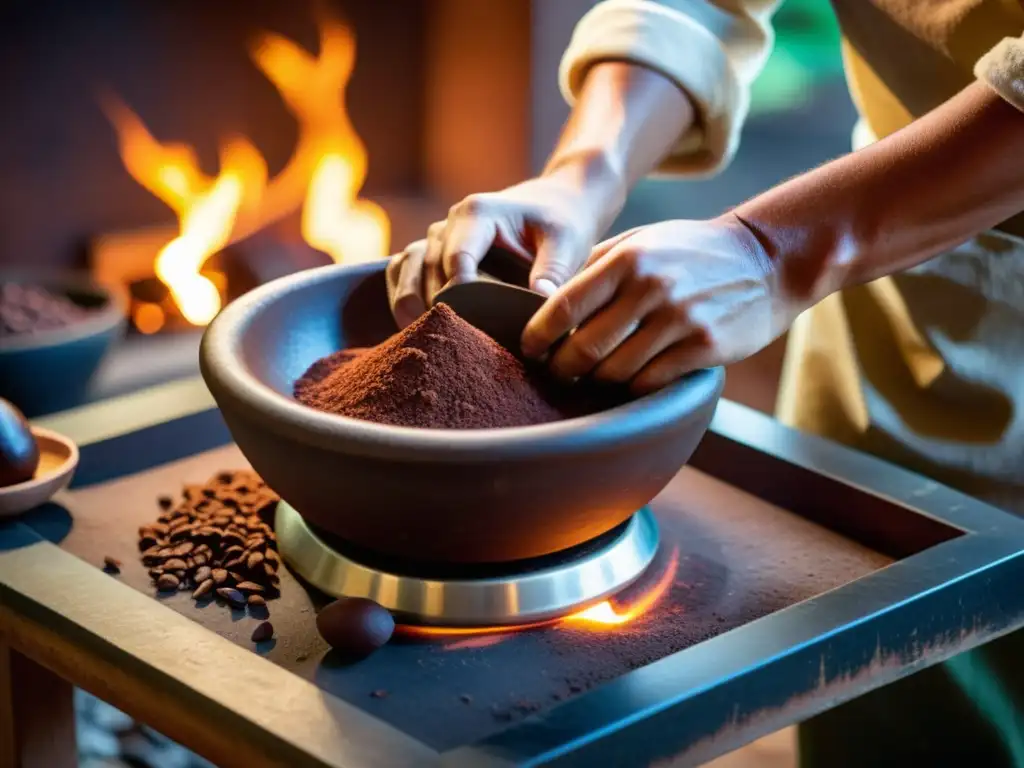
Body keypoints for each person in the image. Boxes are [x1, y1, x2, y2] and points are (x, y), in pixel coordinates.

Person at [388, 1, 1024, 764]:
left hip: (880, 238)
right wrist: (582, 176)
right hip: (885, 306)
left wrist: (776, 252)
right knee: (873, 714)